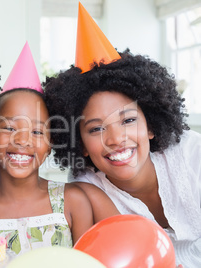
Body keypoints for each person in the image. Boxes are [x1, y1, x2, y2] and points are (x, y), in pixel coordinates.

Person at [44, 5, 201, 266]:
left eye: (128, 120)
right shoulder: (88, 192)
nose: (116, 139)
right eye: (96, 128)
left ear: (150, 126)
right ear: (80, 144)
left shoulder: (192, 155)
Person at [0, 43, 119, 256]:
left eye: (37, 132)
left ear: (51, 144)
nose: (23, 140)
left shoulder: (72, 201)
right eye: (10, 128)